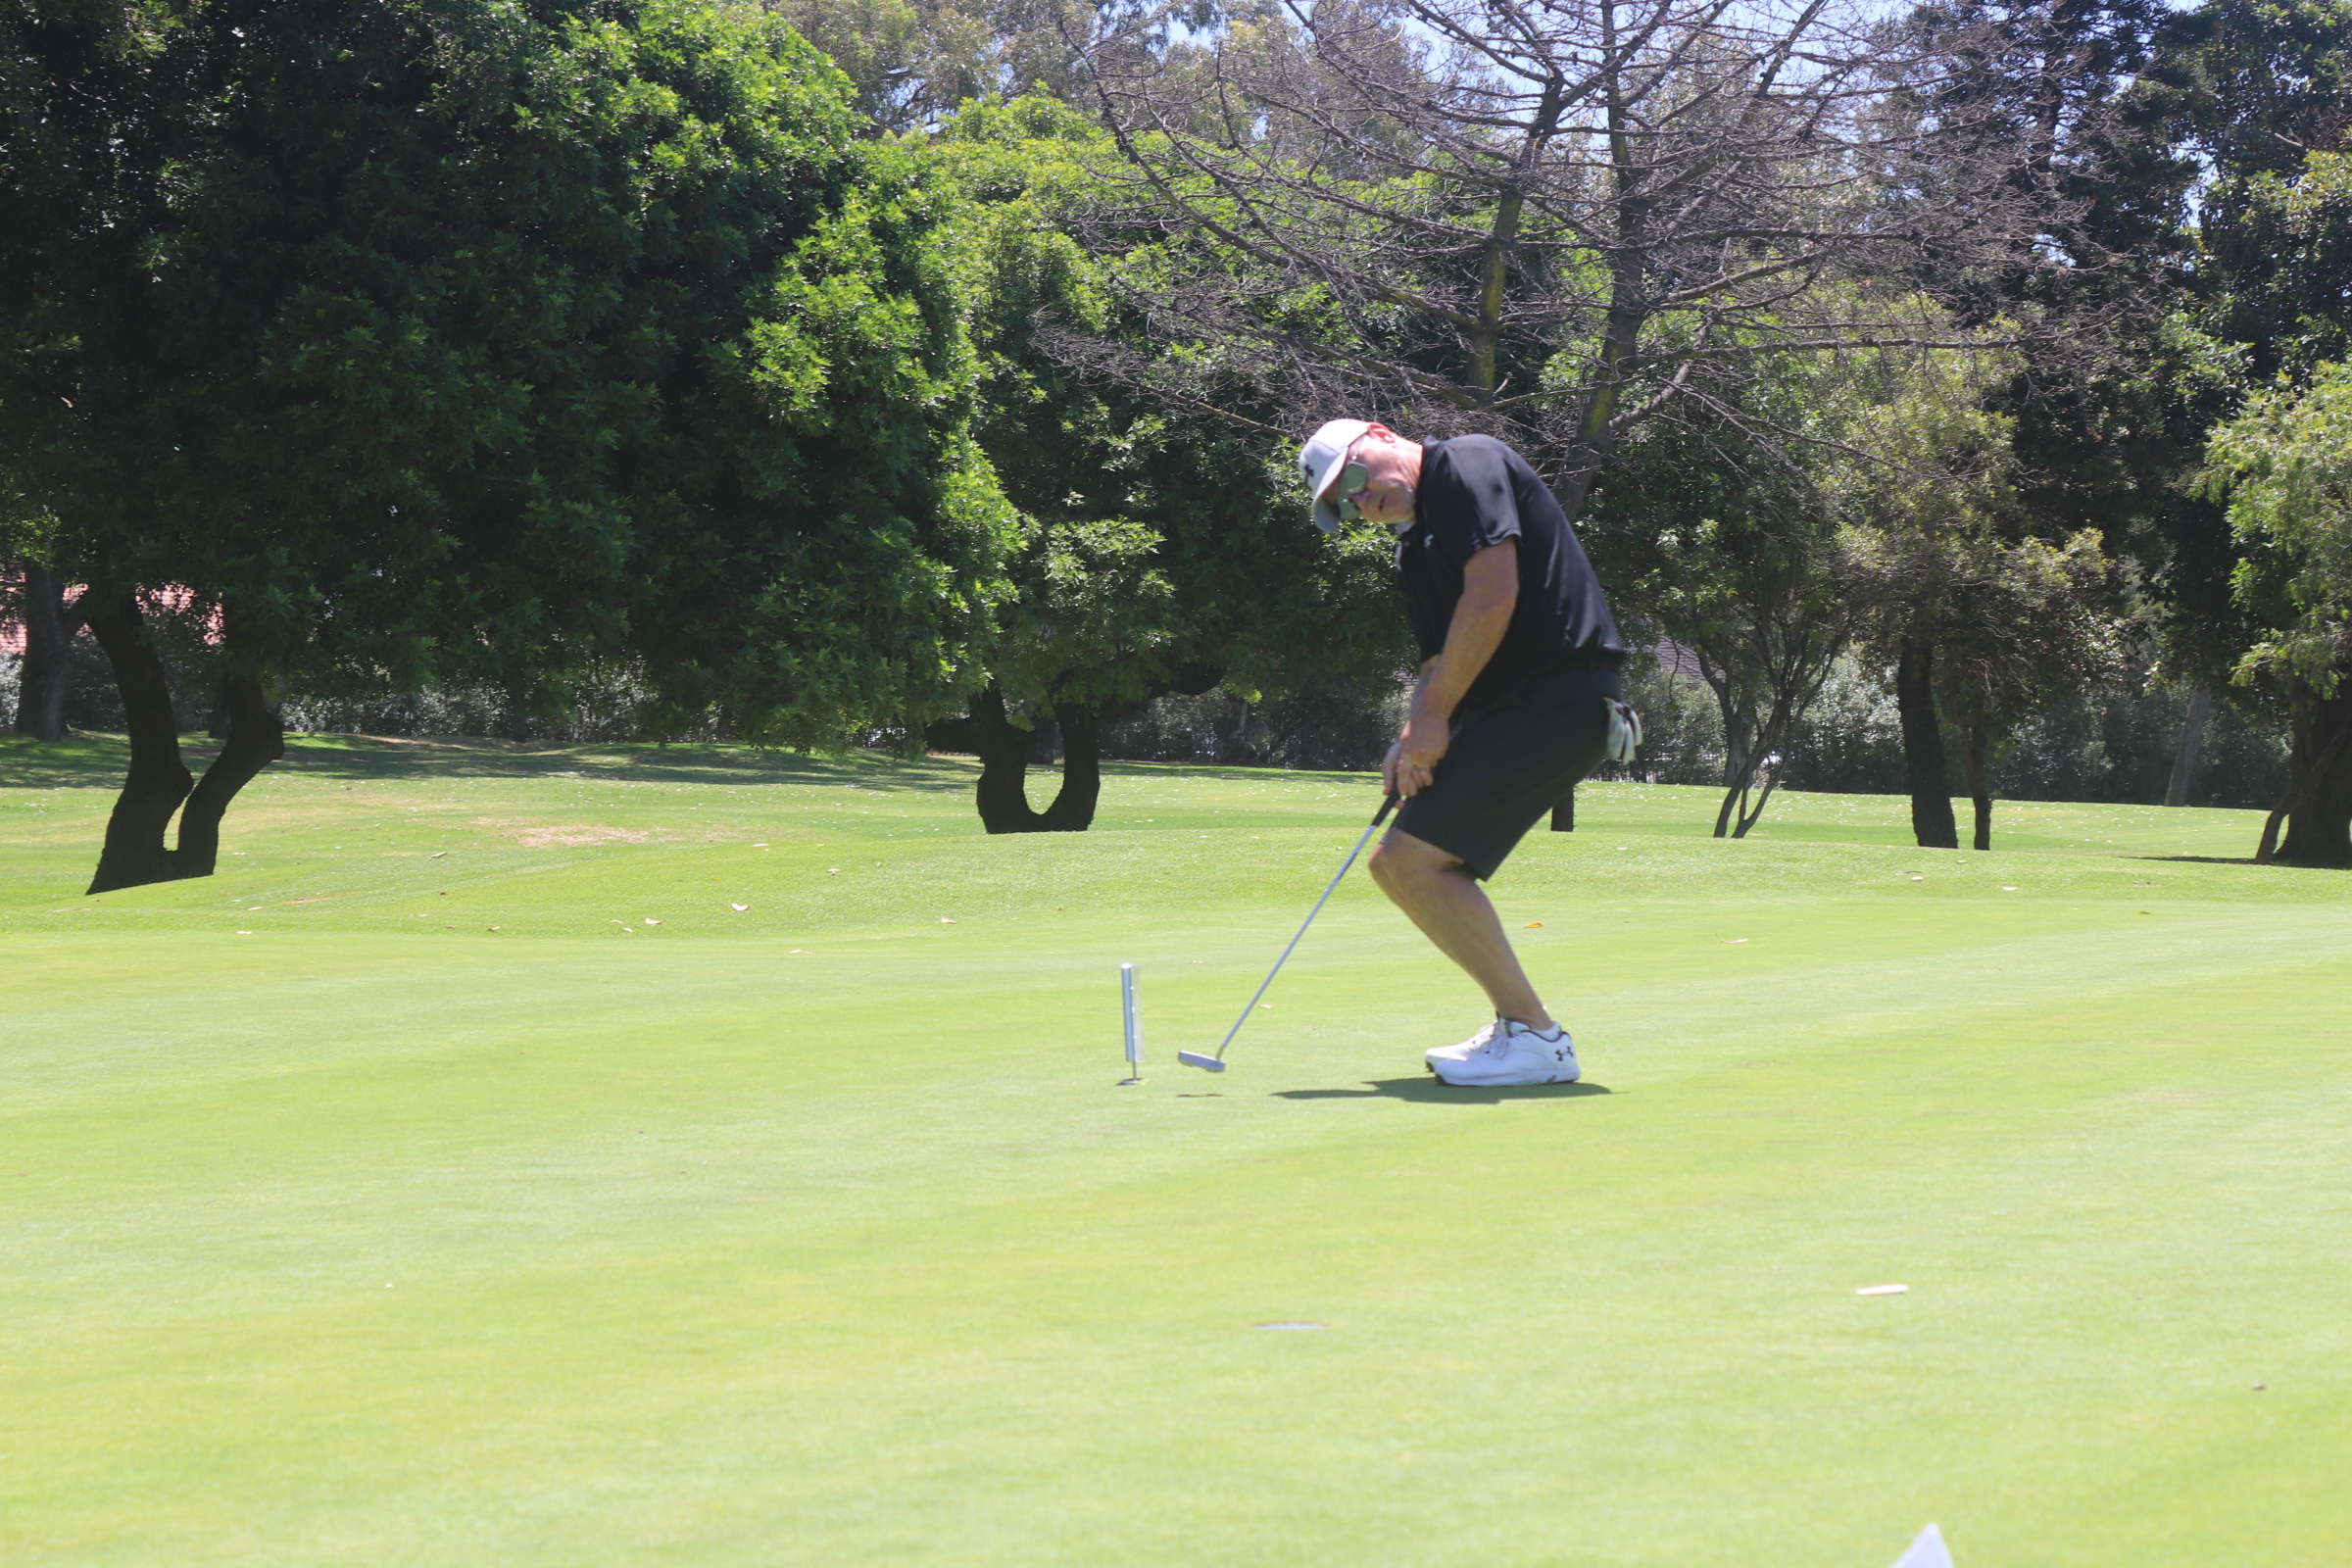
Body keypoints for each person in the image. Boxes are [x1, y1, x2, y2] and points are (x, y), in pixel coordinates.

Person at [1298, 418, 1630, 1087]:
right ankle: (1523, 1028)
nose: (1361, 501)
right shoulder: (1414, 553)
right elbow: (1435, 662)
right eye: (1346, 505)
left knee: (1411, 861)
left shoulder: (1465, 463)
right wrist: (1412, 736)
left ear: (1381, 436)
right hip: (1513, 710)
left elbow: (1493, 592)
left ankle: (1534, 1035)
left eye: (1354, 478)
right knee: (1397, 865)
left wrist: (1434, 719)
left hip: (1558, 696)